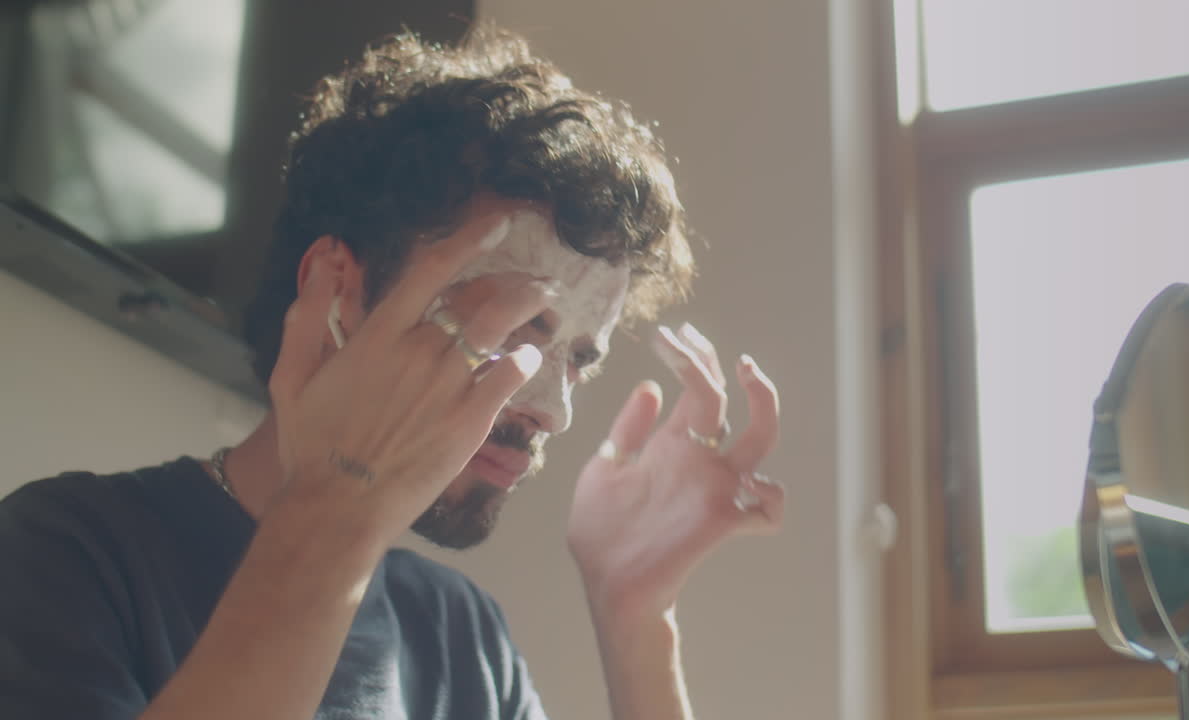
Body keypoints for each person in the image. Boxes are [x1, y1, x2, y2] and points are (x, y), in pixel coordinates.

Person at [0, 25, 783, 720]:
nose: (552, 409)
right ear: (338, 292)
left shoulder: (461, 635)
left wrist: (635, 615)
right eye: (511, 328)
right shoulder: (65, 554)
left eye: (579, 359)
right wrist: (337, 499)